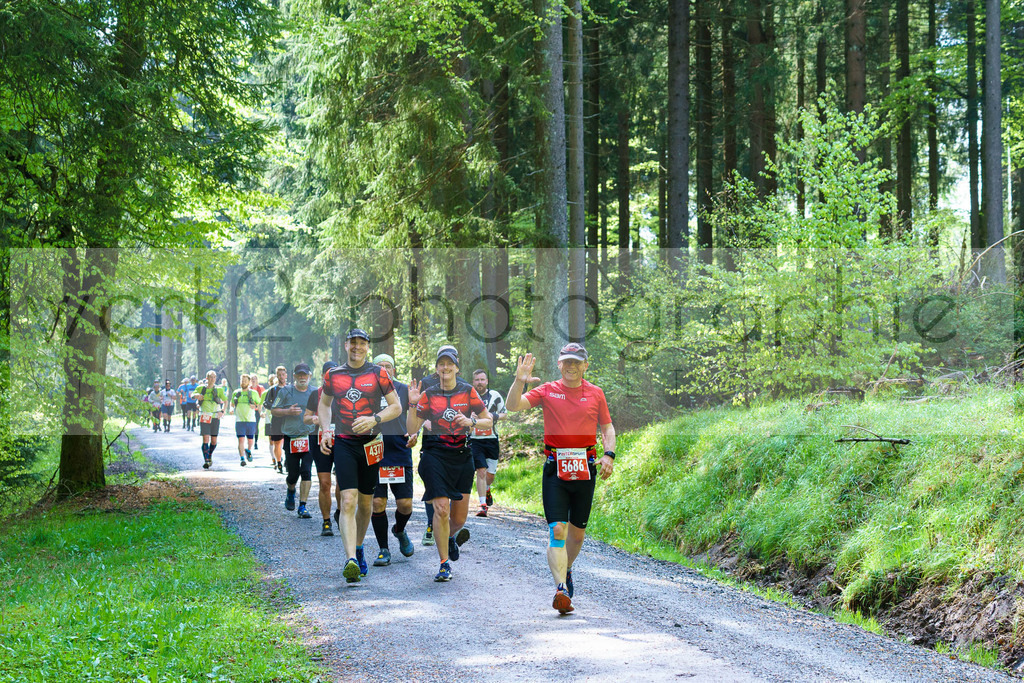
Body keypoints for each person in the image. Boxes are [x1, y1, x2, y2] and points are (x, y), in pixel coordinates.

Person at [504, 343, 616, 615]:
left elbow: (607, 427)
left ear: (585, 366)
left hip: (585, 468)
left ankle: (567, 568)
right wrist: (519, 380)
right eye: (567, 361)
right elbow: (513, 406)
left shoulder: (596, 394)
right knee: (558, 529)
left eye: (577, 362)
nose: (572, 366)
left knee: (576, 536)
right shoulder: (548, 390)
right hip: (556, 467)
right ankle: (561, 589)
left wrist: (609, 454)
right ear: (559, 365)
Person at [318, 329, 401, 584]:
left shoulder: (379, 373)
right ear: (346, 345)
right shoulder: (333, 375)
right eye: (353, 343)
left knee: (366, 504)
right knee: (348, 499)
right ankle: (350, 559)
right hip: (344, 442)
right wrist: (325, 431)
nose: (357, 347)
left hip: (371, 444)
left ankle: (360, 545)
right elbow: (323, 404)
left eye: (362, 343)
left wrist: (374, 419)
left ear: (368, 347)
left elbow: (396, 407)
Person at [406, 345, 492, 582]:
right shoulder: (429, 394)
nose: (445, 367)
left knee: (459, 519)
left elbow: (488, 421)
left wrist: (470, 422)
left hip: (462, 455)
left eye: (449, 363)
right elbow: (412, 428)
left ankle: (450, 537)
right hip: (434, 454)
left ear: (456, 367)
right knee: (441, 508)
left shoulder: (468, 391)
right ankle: (444, 564)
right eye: (441, 364)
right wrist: (413, 405)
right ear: (437, 368)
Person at [369, 354, 417, 566]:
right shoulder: (365, 390)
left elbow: (415, 419)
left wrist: (415, 433)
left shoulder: (404, 389)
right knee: (378, 503)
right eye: (380, 367)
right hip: (374, 450)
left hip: (399, 449)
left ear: (394, 370)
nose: (385, 370)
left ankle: (399, 529)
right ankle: (383, 549)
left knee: (405, 505)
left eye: (388, 366)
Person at [273, 363, 317, 518]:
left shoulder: (315, 392)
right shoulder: (285, 391)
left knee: (306, 471)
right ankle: (291, 489)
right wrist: (287, 411)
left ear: (309, 376)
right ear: (294, 376)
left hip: (309, 437)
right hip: (291, 437)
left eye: (305, 375)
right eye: (299, 375)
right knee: (293, 474)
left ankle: (303, 506)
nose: (302, 377)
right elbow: (274, 409)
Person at [305, 361, 340, 536]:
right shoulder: (316, 394)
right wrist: (314, 419)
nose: (330, 376)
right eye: (327, 374)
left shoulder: (345, 393)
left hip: (341, 440)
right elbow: (306, 417)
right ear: (323, 376)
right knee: (325, 483)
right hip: (320, 441)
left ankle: (341, 513)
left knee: (342, 482)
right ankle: (326, 522)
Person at [469, 369, 506, 517]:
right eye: (477, 380)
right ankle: (482, 505)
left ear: (487, 381)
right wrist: (468, 416)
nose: (479, 382)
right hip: (475, 439)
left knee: (490, 475)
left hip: (491, 439)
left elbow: (504, 414)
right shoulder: (468, 395)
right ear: (473, 382)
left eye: (482, 380)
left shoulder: (495, 396)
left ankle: (488, 489)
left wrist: (492, 416)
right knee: (481, 471)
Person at [192, 370, 228, 469]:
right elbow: (192, 395)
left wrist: (222, 411)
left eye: (214, 377)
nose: (212, 379)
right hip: (204, 416)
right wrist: (196, 396)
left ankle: (210, 455)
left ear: (216, 378)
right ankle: (206, 460)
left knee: (214, 441)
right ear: (207, 378)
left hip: (215, 416)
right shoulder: (201, 388)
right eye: (210, 377)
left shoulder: (219, 390)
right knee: (205, 439)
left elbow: (225, 401)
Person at [230, 374, 261, 467]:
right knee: (241, 439)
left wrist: (255, 407)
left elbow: (259, 404)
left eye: (245, 380)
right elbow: (232, 404)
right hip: (239, 420)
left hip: (251, 420)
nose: (243, 382)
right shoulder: (236, 393)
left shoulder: (253, 393)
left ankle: (248, 450)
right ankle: (242, 458)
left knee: (250, 440)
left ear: (249, 382)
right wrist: (231, 410)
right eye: (241, 380)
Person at [263, 366, 289, 473]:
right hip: (276, 419)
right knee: (277, 443)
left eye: (283, 374)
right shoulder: (273, 389)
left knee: (288, 442)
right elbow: (266, 403)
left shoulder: (290, 388)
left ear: (286, 375)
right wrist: (274, 407)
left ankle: (288, 461)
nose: (281, 377)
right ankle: (278, 463)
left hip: (288, 419)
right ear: (276, 376)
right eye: (279, 375)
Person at [250, 372, 265, 450]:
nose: (253, 381)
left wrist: (261, 409)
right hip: (250, 410)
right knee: (250, 426)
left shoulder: (261, 388)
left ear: (257, 380)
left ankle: (255, 442)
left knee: (256, 426)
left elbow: (263, 399)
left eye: (255, 379)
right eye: (252, 379)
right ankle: (250, 441)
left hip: (257, 410)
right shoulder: (249, 389)